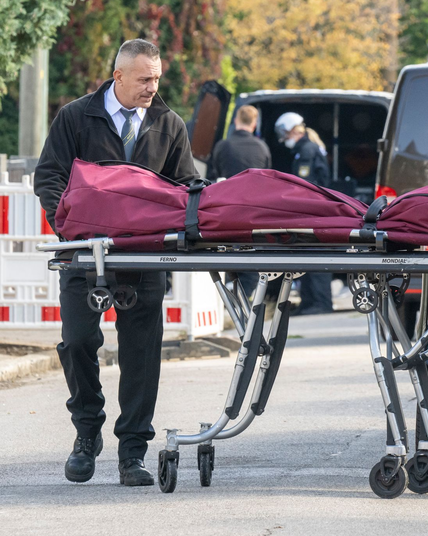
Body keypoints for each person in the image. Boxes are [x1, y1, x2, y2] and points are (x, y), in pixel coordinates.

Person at [34, 39, 198, 487]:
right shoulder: (76, 116)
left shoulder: (169, 123)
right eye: (145, 79)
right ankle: (87, 435)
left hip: (143, 258)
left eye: (157, 78)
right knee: (79, 341)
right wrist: (67, 225)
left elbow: (185, 185)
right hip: (84, 255)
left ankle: (133, 452)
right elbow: (50, 174)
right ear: (119, 75)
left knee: (141, 354)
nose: (153, 87)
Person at [207, 105, 271, 298]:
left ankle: (228, 295)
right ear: (254, 123)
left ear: (236, 121)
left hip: (227, 208)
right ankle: (245, 295)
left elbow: (213, 176)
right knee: (251, 252)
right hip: (255, 210)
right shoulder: (262, 147)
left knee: (227, 252)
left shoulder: (223, 145)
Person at [274, 112, 334, 315]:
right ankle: (310, 302)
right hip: (314, 211)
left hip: (314, 211)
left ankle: (320, 303)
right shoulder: (306, 149)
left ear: (291, 129)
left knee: (317, 256)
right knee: (309, 255)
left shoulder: (307, 150)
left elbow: (304, 186)